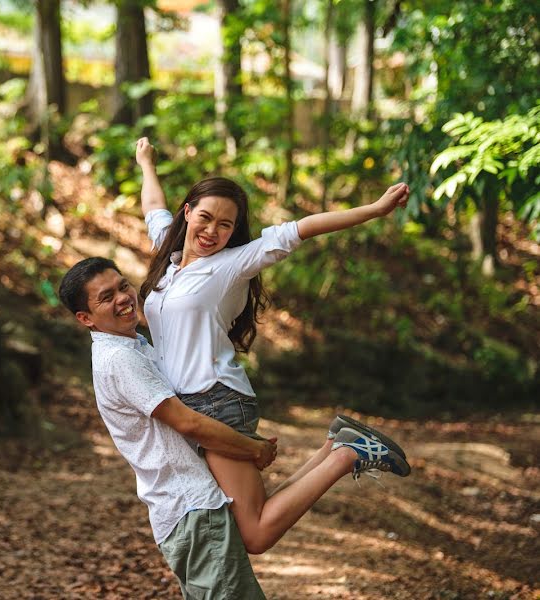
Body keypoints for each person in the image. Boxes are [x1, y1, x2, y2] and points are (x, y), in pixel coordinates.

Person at [135, 136, 412, 555]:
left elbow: (305, 227)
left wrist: (375, 210)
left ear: (234, 231)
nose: (211, 231)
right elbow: (153, 206)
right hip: (190, 407)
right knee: (253, 519)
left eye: (225, 225)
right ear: (188, 213)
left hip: (215, 402)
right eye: (205, 218)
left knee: (256, 534)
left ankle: (347, 455)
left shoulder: (233, 264)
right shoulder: (167, 257)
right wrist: (146, 163)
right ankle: (335, 447)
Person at [59, 257, 275, 599]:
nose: (122, 298)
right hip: (191, 509)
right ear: (85, 318)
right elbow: (187, 422)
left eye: (123, 286)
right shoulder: (120, 359)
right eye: (106, 297)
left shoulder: (135, 345)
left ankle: (337, 454)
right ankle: (342, 455)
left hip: (187, 512)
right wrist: (254, 449)